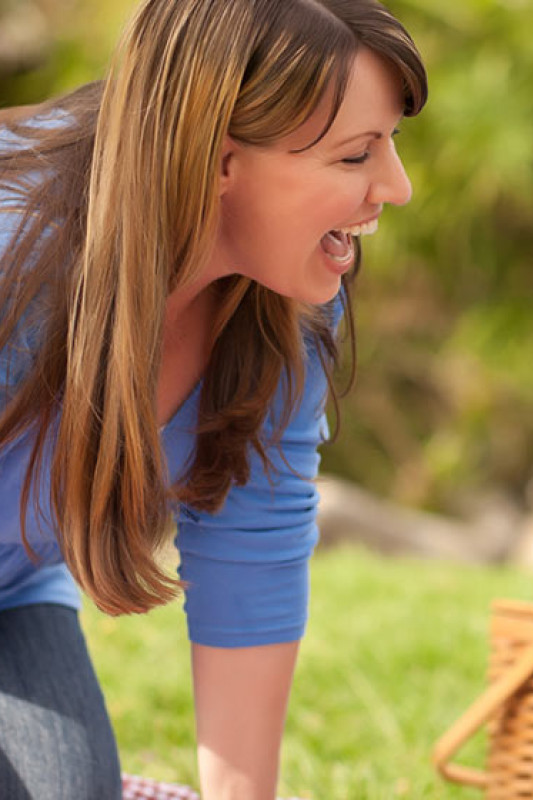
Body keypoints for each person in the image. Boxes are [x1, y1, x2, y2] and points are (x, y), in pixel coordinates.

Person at [0, 0, 427, 797]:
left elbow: (252, 551)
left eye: (391, 146)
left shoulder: (289, 307)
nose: (395, 188)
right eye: (354, 156)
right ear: (219, 161)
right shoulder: (14, 255)